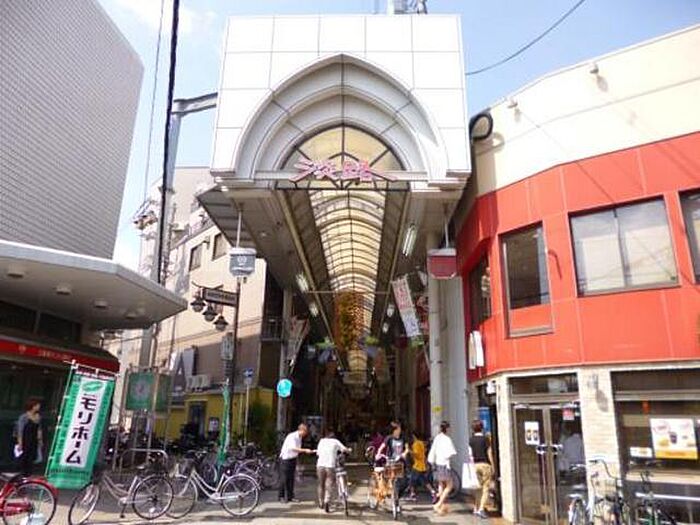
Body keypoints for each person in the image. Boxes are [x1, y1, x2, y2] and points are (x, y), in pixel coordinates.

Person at [316, 429, 350, 513]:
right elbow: (344, 449)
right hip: (330, 465)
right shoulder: (335, 441)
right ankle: (326, 500)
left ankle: (320, 502)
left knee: (321, 484)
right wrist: (349, 450)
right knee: (329, 483)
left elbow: (318, 453)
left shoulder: (321, 441)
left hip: (320, 465)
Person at [278, 423, 314, 503]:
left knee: (291, 479)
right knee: (284, 479)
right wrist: (305, 450)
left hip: (292, 459)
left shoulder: (299, 437)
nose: (306, 434)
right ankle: (281, 496)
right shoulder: (292, 436)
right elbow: (293, 448)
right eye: (305, 432)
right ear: (301, 430)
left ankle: (290, 496)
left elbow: (297, 450)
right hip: (285, 459)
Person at [428, 421, 457, 516]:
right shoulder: (447, 439)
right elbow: (451, 452)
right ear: (447, 429)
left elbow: (433, 450)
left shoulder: (437, 438)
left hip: (437, 463)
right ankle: (438, 504)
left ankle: (440, 507)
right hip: (444, 464)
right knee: (450, 485)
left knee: (441, 484)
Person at [469, 419, 494, 519]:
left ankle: (476, 508)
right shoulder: (485, 439)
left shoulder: (471, 440)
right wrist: (492, 465)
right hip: (485, 464)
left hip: (475, 465)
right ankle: (481, 509)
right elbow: (489, 452)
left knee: (478, 488)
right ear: (482, 427)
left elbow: (470, 454)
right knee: (486, 488)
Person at [15, 398, 43, 476]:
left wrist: (40, 440)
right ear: (33, 406)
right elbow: (20, 431)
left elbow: (39, 429)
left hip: (34, 440)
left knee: (32, 457)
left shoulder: (38, 417)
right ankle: (22, 473)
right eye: (37, 405)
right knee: (25, 457)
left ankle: (29, 473)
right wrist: (20, 443)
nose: (39, 407)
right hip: (26, 440)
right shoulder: (24, 417)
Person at [407, 431, 437, 503]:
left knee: (412, 480)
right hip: (422, 465)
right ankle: (433, 492)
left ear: (414, 436)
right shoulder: (421, 443)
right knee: (425, 481)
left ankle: (412, 494)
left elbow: (417, 455)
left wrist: (409, 451)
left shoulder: (416, 444)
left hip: (417, 466)